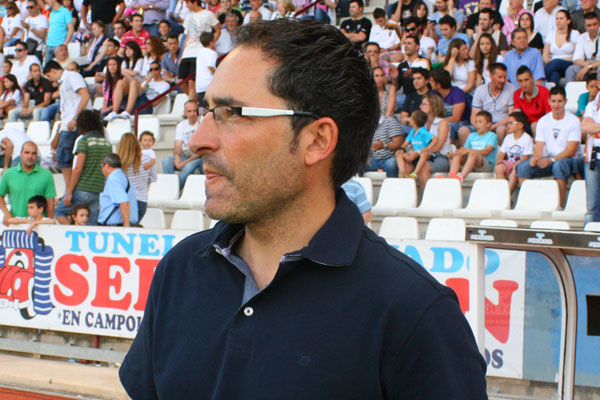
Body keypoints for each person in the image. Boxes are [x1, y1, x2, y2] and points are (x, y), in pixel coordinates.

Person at [119, 19, 487, 398]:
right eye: (209, 112)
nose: (199, 140)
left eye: (232, 113)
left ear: (317, 140)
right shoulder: (180, 271)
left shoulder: (415, 315)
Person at [516, 86, 582, 207]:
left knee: (559, 165)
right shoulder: (543, 121)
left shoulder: (573, 121)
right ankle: (529, 204)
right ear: (549, 101)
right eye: (554, 101)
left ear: (565, 102)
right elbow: (539, 148)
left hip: (570, 160)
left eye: (560, 101)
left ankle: (559, 205)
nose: (556, 104)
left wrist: (551, 160)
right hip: (550, 158)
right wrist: (535, 159)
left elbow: (571, 151)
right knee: (523, 168)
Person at [55, 109, 112, 225]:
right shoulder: (107, 144)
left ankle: (74, 232)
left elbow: (78, 169)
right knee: (91, 226)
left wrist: (69, 192)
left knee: (59, 212)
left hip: (83, 188)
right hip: (99, 190)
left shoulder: (84, 141)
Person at [44, 60, 92, 188]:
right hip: (70, 122)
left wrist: (76, 118)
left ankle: (70, 190)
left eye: (49, 76)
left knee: (64, 158)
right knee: (65, 159)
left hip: (74, 122)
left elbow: (85, 95)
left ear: (53, 71)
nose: (50, 79)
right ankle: (70, 189)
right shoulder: (66, 80)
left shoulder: (71, 76)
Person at [0, 141, 56, 225]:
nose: (30, 156)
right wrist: (6, 213)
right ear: (21, 154)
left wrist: (48, 225)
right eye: (27, 152)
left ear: (36, 155)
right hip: (16, 224)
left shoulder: (46, 175)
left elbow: (50, 204)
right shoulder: (9, 174)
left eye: (33, 153)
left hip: (38, 226)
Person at [180, 0, 220, 101]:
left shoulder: (208, 14)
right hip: (188, 52)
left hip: (200, 51)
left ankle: (193, 104)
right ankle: (195, 102)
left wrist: (210, 43)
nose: (186, 5)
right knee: (180, 81)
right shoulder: (189, 16)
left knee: (192, 82)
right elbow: (188, 36)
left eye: (188, 2)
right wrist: (183, 53)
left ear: (195, 2)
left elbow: (218, 29)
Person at [467, 62, 516, 145]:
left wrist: (494, 126)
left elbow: (512, 116)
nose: (503, 80)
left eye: (504, 77)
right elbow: (474, 115)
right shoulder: (480, 90)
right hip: (483, 124)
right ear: (491, 76)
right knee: (463, 131)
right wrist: (480, 127)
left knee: (501, 130)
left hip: (502, 124)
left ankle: (500, 156)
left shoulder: (511, 89)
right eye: (500, 77)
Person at [162, 100, 204, 189]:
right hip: (185, 154)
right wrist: (177, 157)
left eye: (194, 110)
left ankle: (174, 190)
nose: (192, 113)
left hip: (199, 157)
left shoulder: (203, 123)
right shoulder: (181, 125)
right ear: (185, 112)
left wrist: (184, 162)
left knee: (189, 166)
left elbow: (201, 150)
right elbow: (177, 144)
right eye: (189, 111)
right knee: (166, 161)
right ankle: (168, 186)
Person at [448, 110, 498, 182]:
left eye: (480, 122)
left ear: (488, 124)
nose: (477, 124)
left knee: (473, 153)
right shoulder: (471, 135)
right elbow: (465, 150)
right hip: (471, 162)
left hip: (485, 165)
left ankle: (461, 178)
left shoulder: (492, 136)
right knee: (458, 154)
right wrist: (458, 152)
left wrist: (470, 150)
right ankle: (451, 177)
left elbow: (486, 152)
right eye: (476, 122)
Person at [116, 133, 157, 221]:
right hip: (141, 199)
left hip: (123, 201)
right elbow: (153, 178)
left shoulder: (118, 162)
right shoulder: (147, 159)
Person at [415, 93, 451, 187]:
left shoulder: (442, 123)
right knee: (406, 166)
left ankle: (426, 199)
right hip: (423, 157)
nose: (420, 106)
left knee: (423, 168)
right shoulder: (421, 124)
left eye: (424, 104)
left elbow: (438, 147)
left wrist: (419, 152)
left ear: (433, 106)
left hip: (440, 158)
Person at [495, 111, 533, 193]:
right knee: (499, 168)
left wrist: (515, 166)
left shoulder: (527, 138)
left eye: (511, 123)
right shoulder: (508, 137)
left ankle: (507, 196)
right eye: (508, 123)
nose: (508, 125)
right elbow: (501, 155)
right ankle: (502, 194)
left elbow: (525, 157)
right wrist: (499, 164)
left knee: (516, 170)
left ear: (520, 125)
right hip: (510, 163)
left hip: (521, 164)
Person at [430, 67, 471, 143]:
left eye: (432, 81)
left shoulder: (457, 93)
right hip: (442, 121)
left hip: (461, 123)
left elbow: (456, 118)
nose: (429, 83)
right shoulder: (433, 93)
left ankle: (450, 150)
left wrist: (438, 122)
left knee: (448, 126)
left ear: (438, 85)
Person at [98, 152, 138, 227]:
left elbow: (124, 203)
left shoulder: (113, 178)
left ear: (106, 165)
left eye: (101, 166)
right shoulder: (122, 177)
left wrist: (126, 227)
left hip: (115, 226)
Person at [543, 10, 580, 85]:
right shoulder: (551, 34)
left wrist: (557, 60)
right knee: (554, 74)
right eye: (556, 18)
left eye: (561, 18)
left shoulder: (574, 34)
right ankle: (553, 93)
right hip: (553, 65)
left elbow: (577, 55)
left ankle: (540, 81)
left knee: (556, 62)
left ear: (568, 21)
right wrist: (550, 61)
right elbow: (545, 55)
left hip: (569, 63)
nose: (558, 21)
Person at [396, 109, 435, 178]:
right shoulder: (412, 131)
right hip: (413, 153)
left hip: (422, 153)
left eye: (411, 117)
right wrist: (402, 149)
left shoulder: (422, 131)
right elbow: (405, 143)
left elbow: (435, 139)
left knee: (424, 154)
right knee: (398, 153)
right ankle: (402, 172)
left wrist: (427, 148)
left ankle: (415, 173)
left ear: (414, 121)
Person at [513, 65, 551, 134]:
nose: (523, 84)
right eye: (520, 81)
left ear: (532, 78)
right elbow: (517, 116)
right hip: (525, 125)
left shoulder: (544, 91)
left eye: (526, 80)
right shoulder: (517, 94)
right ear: (517, 81)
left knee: (534, 125)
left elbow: (549, 115)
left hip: (543, 125)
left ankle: (537, 144)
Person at [581, 90, 600, 223]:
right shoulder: (592, 105)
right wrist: (591, 128)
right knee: (592, 207)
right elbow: (585, 127)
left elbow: (592, 127)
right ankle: (589, 241)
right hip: (593, 158)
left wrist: (595, 127)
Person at [566, 12, 600, 83]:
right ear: (585, 26)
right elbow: (576, 59)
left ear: (599, 23)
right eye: (589, 25)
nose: (592, 28)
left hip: (598, 66)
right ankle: (570, 93)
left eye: (595, 24)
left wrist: (589, 67)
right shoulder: (581, 38)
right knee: (571, 69)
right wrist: (589, 67)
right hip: (588, 65)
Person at [45, 0, 75, 66]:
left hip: (59, 45)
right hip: (49, 45)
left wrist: (65, 44)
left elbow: (71, 29)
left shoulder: (65, 11)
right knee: (46, 69)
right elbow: (49, 29)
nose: (46, 2)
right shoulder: (51, 13)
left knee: (60, 67)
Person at [195, 31, 217, 104]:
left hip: (199, 85)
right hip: (209, 84)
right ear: (211, 42)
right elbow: (210, 66)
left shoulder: (200, 52)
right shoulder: (212, 53)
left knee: (202, 109)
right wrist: (218, 74)